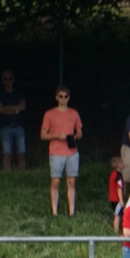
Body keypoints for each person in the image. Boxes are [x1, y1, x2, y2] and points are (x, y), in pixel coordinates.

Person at [40, 85, 83, 217]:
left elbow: (80, 132)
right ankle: (55, 212)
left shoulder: (74, 113)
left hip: (71, 151)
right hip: (56, 152)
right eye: (61, 96)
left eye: (65, 96)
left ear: (69, 98)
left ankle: (71, 212)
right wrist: (56, 136)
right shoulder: (49, 114)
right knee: (55, 182)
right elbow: (43, 135)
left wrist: (74, 137)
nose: (63, 99)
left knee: (71, 181)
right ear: (56, 98)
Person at [0, 69, 27, 170]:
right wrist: (16, 109)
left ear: (13, 79)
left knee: (21, 154)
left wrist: (7, 108)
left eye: (10, 78)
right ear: (2, 80)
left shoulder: (18, 92)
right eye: (5, 78)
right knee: (7, 154)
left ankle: (22, 175)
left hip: (18, 127)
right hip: (5, 127)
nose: (8, 81)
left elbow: (23, 106)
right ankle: (7, 175)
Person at [108, 157, 125, 233]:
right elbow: (119, 188)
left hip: (112, 198)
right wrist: (121, 200)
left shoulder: (112, 174)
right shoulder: (118, 176)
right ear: (119, 166)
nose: (124, 164)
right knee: (117, 215)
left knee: (118, 213)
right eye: (122, 163)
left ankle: (119, 228)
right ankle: (116, 230)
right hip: (117, 199)